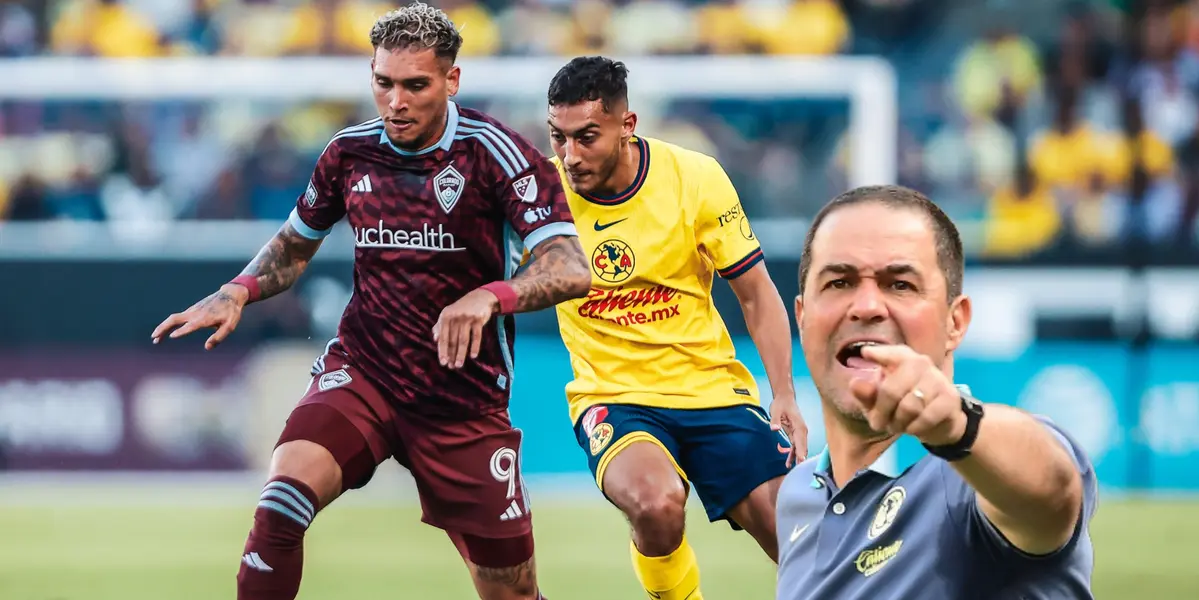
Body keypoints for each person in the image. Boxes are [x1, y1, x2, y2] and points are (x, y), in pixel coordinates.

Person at [151, 4, 591, 600]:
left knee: (512, 592)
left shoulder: (497, 154)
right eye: (384, 83)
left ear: (451, 81)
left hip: (460, 402)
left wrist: (490, 297)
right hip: (366, 374)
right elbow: (293, 246)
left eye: (415, 86)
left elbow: (570, 266)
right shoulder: (348, 153)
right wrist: (238, 290)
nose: (396, 102)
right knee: (281, 501)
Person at [544, 56, 809, 600]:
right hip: (613, 395)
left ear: (627, 124)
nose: (569, 156)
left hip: (712, 389)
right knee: (656, 502)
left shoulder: (695, 177)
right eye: (558, 137)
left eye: (586, 137)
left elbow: (756, 293)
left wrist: (784, 392)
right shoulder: (539, 192)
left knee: (802, 539)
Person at [775, 185, 1098, 599]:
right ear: (802, 318)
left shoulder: (970, 475)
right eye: (839, 282)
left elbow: (1052, 491)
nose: (868, 306)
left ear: (955, 322)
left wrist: (959, 428)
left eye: (900, 285)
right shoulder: (799, 495)